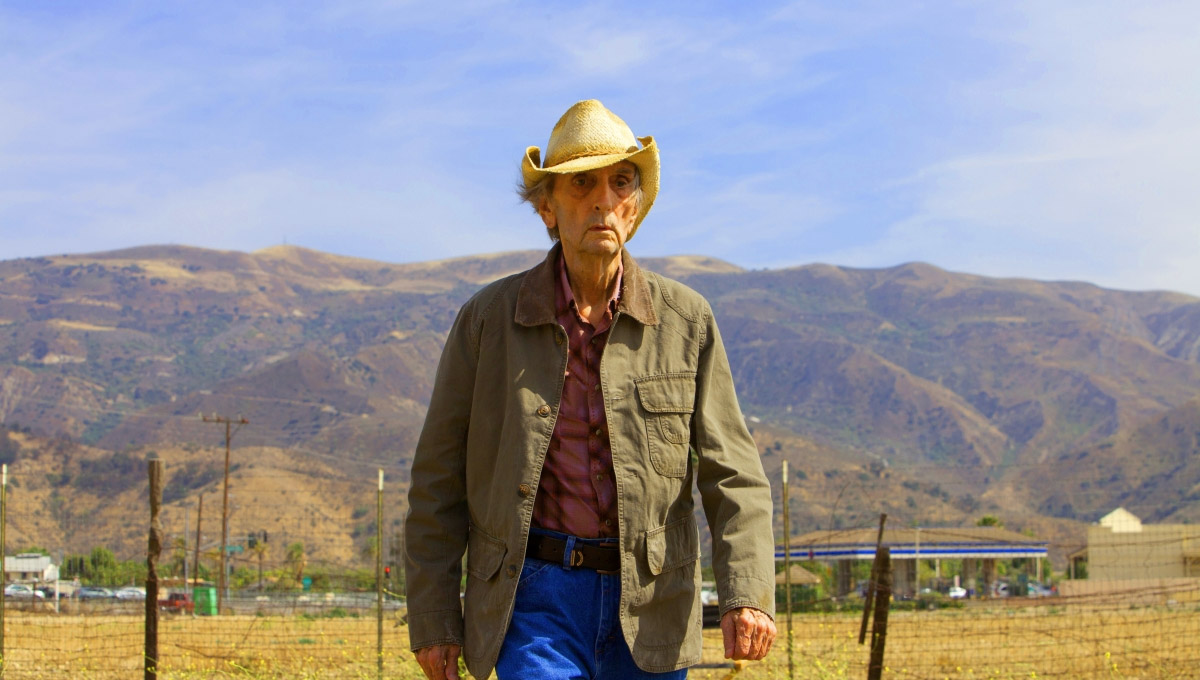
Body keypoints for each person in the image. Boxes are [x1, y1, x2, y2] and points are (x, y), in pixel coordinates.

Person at [405, 100, 776, 680]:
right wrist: (434, 617)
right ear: (546, 207)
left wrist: (746, 593)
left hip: (653, 603)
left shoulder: (687, 321)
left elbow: (734, 472)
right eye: (582, 183)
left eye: (620, 181)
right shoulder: (487, 321)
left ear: (635, 205)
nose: (603, 199)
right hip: (533, 602)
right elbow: (437, 479)